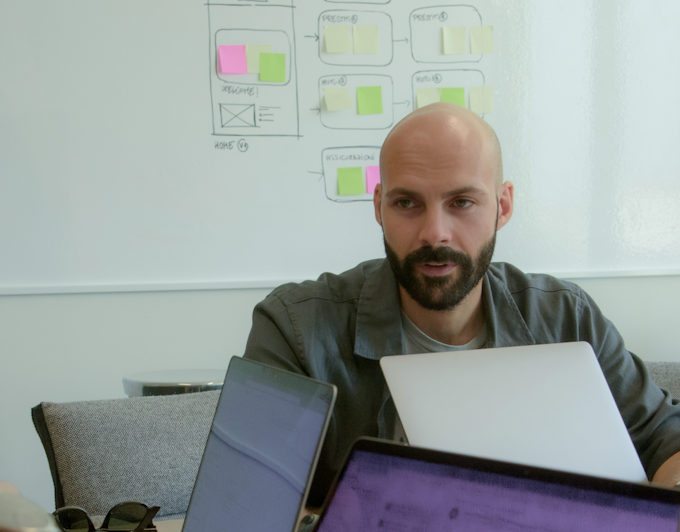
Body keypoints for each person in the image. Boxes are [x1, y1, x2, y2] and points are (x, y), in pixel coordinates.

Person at [243, 103, 680, 507]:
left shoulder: (567, 317)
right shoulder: (295, 327)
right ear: (379, 207)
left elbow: (664, 436)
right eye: (407, 203)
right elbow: (250, 497)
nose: (435, 233)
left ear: (502, 206)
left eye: (462, 202)